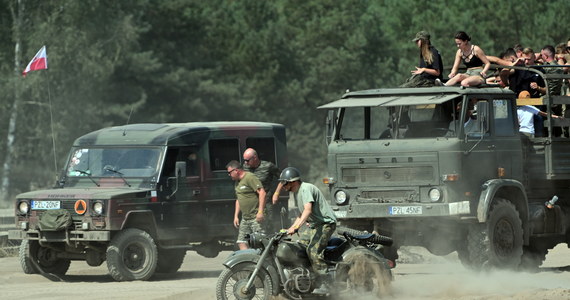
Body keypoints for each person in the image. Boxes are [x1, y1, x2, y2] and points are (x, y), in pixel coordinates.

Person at [280, 167, 337, 291]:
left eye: (284, 183)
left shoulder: (305, 189)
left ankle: (326, 283)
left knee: (313, 251)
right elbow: (301, 215)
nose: (283, 186)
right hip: (316, 225)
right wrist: (289, 229)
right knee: (299, 246)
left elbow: (307, 210)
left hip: (326, 224)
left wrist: (296, 228)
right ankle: (308, 277)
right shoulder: (297, 193)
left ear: (293, 182)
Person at [226, 160, 266, 250]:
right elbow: (238, 199)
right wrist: (236, 216)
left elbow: (262, 193)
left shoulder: (250, 177)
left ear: (236, 170)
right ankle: (248, 262)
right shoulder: (237, 182)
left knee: (260, 242)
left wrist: (260, 212)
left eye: (229, 172)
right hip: (245, 218)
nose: (229, 175)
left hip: (255, 217)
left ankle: (264, 262)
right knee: (241, 242)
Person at [242, 148, 281, 232]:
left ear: (255, 158)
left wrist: (276, 193)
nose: (245, 162)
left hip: (266, 201)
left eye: (247, 160)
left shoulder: (268, 166)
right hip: (252, 202)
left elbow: (282, 179)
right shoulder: (245, 167)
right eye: (244, 160)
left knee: (269, 225)